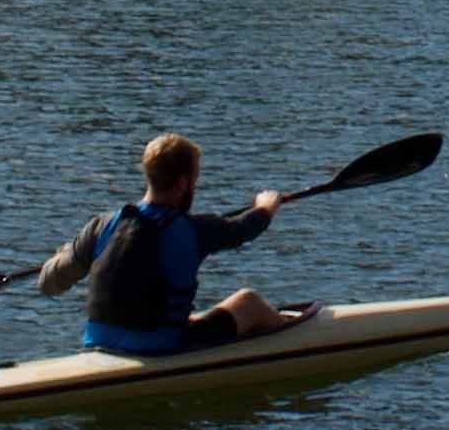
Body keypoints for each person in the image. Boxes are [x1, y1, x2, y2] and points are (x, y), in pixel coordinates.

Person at [38, 132, 318, 355]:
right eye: (195, 179)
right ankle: (296, 342)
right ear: (184, 183)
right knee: (248, 301)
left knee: (188, 315)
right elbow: (243, 229)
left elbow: (48, 284)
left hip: (99, 343)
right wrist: (266, 207)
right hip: (161, 348)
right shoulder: (192, 230)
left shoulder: (102, 226)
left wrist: (66, 254)